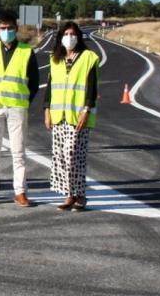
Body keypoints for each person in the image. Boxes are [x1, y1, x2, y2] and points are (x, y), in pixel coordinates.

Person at [0, 13, 40, 207]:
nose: (6, 32)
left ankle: (20, 192)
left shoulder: (26, 51)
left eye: (9, 28)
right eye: (2, 28)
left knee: (18, 151)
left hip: (17, 107)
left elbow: (34, 82)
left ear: (16, 29)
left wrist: (24, 101)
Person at [44, 21, 100, 211]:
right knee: (60, 156)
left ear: (79, 36)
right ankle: (69, 195)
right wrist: (47, 110)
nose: (70, 37)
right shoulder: (55, 59)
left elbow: (92, 89)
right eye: (66, 34)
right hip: (59, 115)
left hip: (78, 117)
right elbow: (50, 88)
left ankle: (80, 195)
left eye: (73, 34)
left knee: (74, 155)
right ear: (60, 37)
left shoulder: (89, 58)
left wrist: (86, 110)